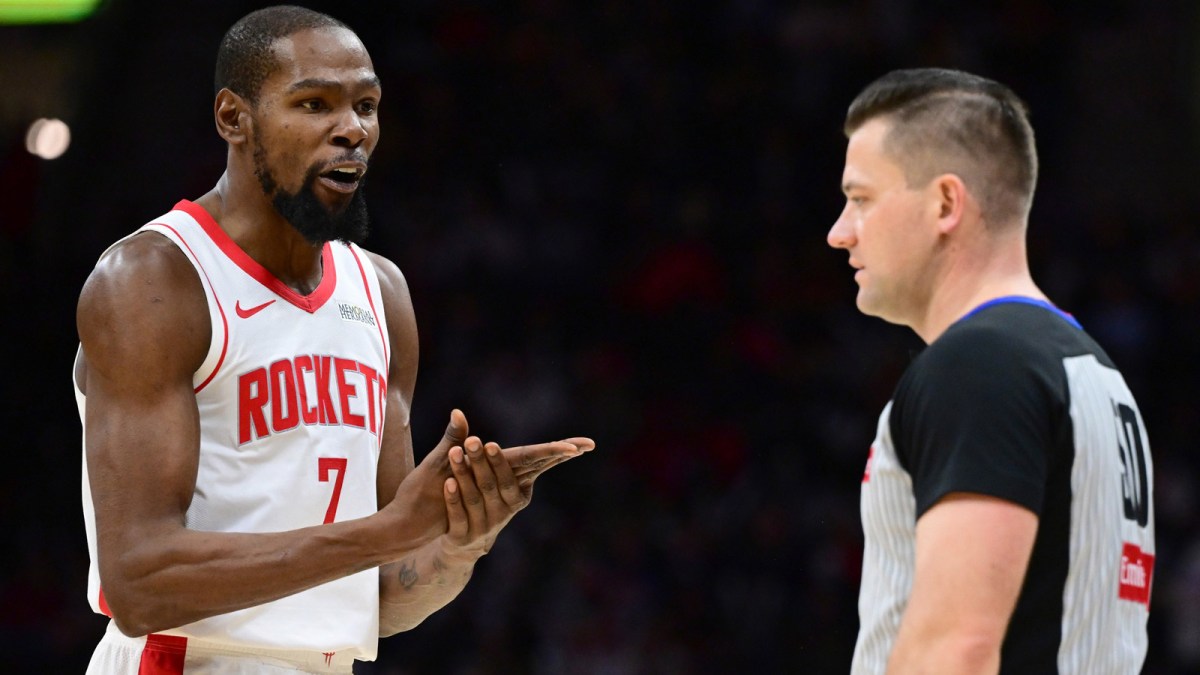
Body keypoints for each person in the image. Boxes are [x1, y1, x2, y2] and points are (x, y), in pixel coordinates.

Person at [73, 6, 594, 673]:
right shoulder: (154, 281)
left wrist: (458, 543)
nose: (351, 129)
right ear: (234, 118)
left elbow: (380, 592)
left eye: (366, 106)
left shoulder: (381, 294)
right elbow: (139, 582)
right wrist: (384, 533)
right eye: (314, 103)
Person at [828, 68, 1155, 674]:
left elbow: (957, 650)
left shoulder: (980, 366)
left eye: (861, 199)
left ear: (946, 203)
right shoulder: (1088, 367)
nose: (839, 233)